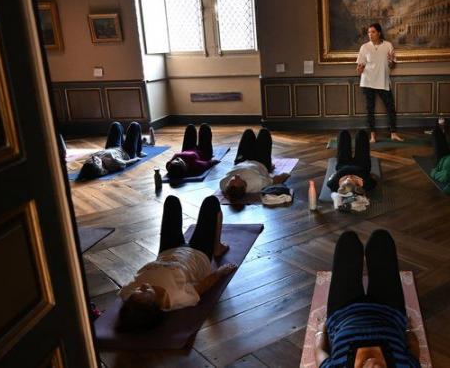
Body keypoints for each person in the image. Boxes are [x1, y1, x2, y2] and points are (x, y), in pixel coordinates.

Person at [117, 195, 236, 331]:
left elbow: (125, 300)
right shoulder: (178, 297)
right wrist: (220, 271)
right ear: (154, 306)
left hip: (167, 251)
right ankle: (217, 246)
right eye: (144, 291)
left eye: (137, 290)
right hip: (198, 254)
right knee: (211, 202)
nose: (142, 285)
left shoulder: (128, 295)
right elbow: (203, 286)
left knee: (171, 201)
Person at [315, 230, 421, 368]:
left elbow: (320, 353)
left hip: (343, 312)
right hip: (389, 311)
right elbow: (413, 352)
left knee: (348, 242)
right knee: (381, 240)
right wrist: (408, 329)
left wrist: (320, 330)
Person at [356, 23, 404, 144]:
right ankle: (372, 136)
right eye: (368, 32)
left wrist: (391, 61)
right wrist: (359, 68)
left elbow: (393, 65)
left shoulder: (388, 45)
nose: (370, 35)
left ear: (379, 33)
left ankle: (393, 134)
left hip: (383, 81)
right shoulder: (364, 47)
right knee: (370, 109)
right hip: (368, 81)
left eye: (372, 32)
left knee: (390, 108)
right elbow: (360, 65)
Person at [220, 128, 290, 202]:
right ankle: (269, 164)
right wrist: (286, 174)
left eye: (231, 180)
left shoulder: (223, 184)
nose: (236, 176)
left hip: (241, 161)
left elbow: (229, 194)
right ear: (244, 186)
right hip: (260, 162)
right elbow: (276, 180)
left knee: (248, 132)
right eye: (238, 179)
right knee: (264, 132)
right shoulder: (258, 183)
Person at [77, 121, 146, 180]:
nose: (94, 158)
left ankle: (123, 140)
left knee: (115, 125)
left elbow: (86, 168)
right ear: (101, 169)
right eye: (96, 162)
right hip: (126, 152)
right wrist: (136, 159)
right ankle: (138, 151)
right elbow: (126, 162)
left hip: (112, 148)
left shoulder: (90, 163)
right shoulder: (114, 163)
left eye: (92, 160)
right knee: (135, 125)